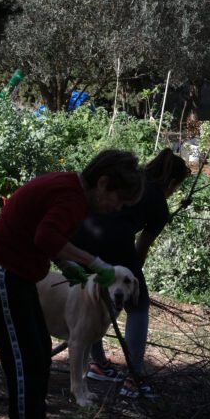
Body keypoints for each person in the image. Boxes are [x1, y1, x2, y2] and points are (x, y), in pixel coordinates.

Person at [0, 150, 143, 419]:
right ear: (103, 184)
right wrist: (94, 263)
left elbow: (46, 236)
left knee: (39, 346)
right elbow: (45, 237)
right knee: (23, 354)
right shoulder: (70, 196)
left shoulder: (71, 192)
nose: (117, 209)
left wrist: (66, 265)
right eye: (119, 200)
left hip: (18, 271)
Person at [71, 148, 190, 397]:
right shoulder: (158, 201)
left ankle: (98, 363)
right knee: (138, 305)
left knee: (93, 297)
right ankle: (134, 376)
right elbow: (141, 247)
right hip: (117, 242)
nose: (174, 192)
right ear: (171, 182)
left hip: (83, 234)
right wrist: (131, 278)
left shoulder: (132, 180)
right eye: (176, 187)